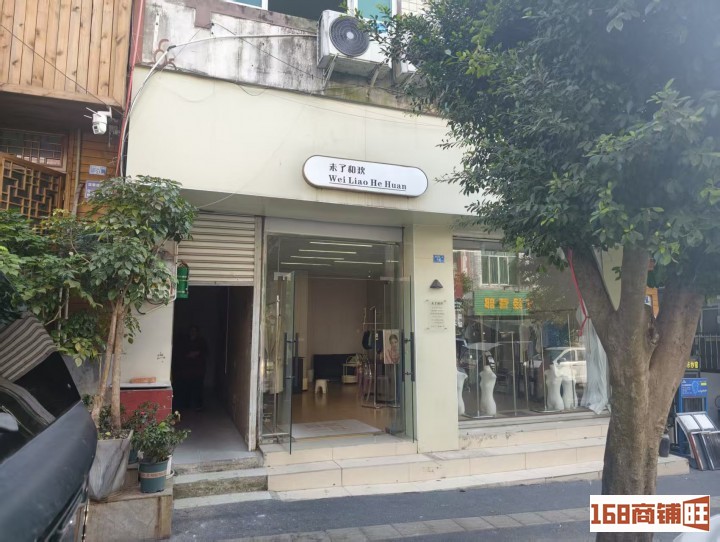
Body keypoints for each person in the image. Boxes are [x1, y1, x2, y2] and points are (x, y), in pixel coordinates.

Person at [177, 326, 207, 411]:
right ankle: (186, 404)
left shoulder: (201, 341)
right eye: (191, 330)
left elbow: (205, 352)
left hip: (198, 369)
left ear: (197, 332)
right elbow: (180, 353)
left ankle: (198, 405)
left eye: (195, 331)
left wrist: (197, 353)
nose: (193, 332)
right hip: (187, 369)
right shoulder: (185, 341)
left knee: (198, 387)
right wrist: (188, 355)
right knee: (186, 387)